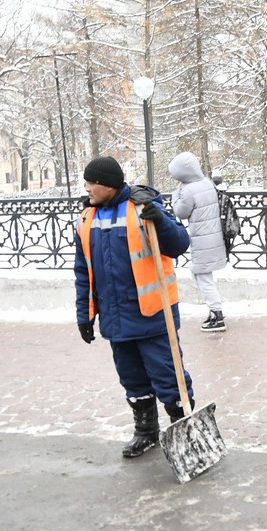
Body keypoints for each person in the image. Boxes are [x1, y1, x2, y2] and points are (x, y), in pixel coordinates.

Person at [74, 155, 196, 458]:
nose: (87, 188)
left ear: (106, 185)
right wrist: (84, 315)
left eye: (91, 182)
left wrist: (161, 221)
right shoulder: (87, 218)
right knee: (131, 378)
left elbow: (179, 244)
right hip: (115, 317)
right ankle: (146, 431)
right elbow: (82, 270)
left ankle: (185, 432)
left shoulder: (143, 206)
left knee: (170, 378)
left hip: (153, 314)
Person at [168, 152, 228, 333]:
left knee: (203, 277)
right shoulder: (207, 183)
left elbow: (181, 212)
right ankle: (214, 311)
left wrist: (176, 193)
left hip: (202, 240)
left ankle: (217, 315)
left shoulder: (187, 190)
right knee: (201, 275)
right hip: (213, 237)